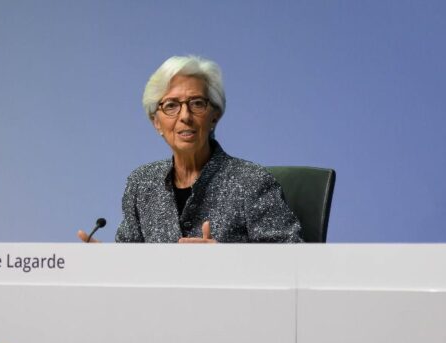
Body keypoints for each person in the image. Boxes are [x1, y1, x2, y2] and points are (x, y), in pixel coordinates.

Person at [78, 55, 302, 243]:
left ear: (214, 115)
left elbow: (293, 260)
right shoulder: (141, 184)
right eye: (171, 106)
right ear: (156, 122)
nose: (185, 116)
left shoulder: (252, 182)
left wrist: (225, 261)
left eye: (196, 103)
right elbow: (129, 262)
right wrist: (106, 263)